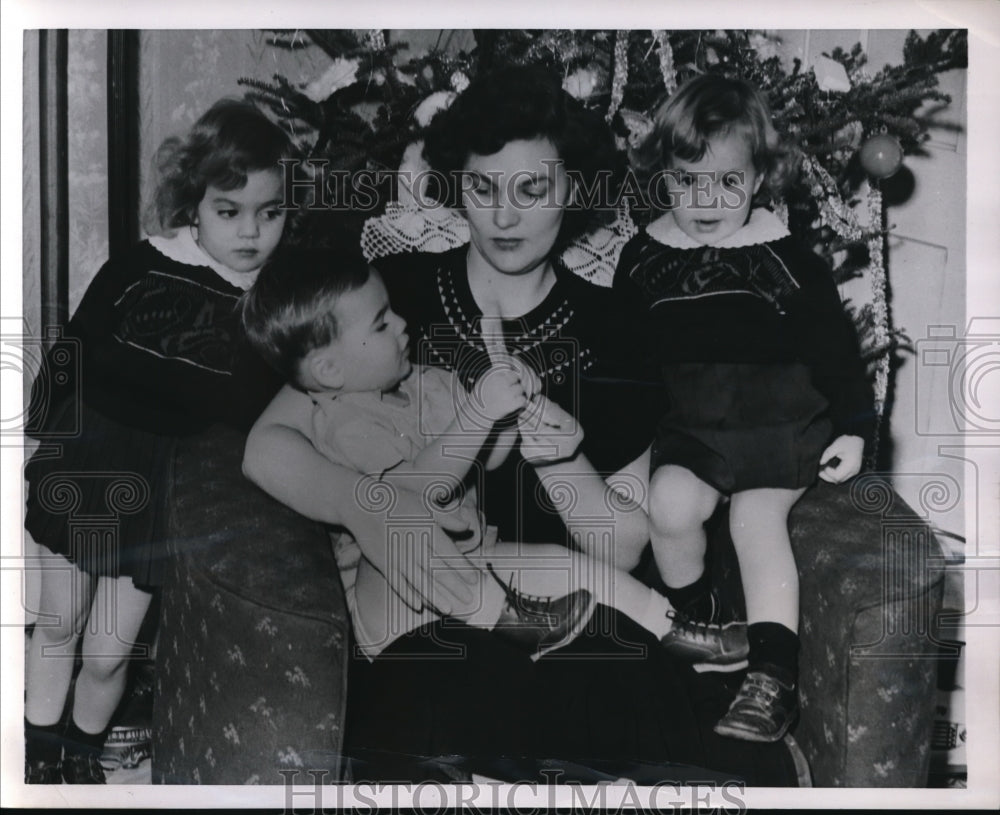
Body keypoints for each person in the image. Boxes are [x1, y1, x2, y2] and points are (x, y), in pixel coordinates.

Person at [243, 65, 804, 785]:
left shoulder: (616, 326)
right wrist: (367, 503)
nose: (504, 217)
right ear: (458, 187)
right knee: (459, 683)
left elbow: (624, 542)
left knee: (613, 685)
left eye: (532, 190)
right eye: (483, 189)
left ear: (572, 189)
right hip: (424, 619)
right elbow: (268, 447)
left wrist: (562, 459)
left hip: (574, 613)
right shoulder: (392, 299)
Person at [239, 247, 725, 660]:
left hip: (475, 555)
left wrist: (515, 408)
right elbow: (420, 492)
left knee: (563, 561)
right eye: (383, 323)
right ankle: (507, 618)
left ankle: (674, 630)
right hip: (399, 589)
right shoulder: (343, 419)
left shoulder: (424, 381)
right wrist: (478, 412)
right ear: (328, 370)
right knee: (411, 532)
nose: (404, 324)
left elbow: (486, 459)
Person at [23, 99, 294, 783]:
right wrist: (44, 443)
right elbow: (74, 350)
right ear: (193, 204)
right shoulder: (141, 266)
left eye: (271, 213)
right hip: (89, 458)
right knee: (58, 622)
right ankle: (36, 754)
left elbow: (259, 415)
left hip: (162, 486)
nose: (252, 233)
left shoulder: (270, 306)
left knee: (110, 651)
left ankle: (81, 758)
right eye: (229, 212)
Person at [615, 73, 875, 742]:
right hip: (695, 429)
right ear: (662, 175)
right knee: (669, 505)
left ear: (758, 177)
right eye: (685, 180)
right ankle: (700, 627)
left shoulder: (786, 262)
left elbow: (838, 355)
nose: (705, 201)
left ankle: (772, 675)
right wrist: (619, 447)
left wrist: (853, 427)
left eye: (727, 182)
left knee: (757, 523)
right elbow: (630, 369)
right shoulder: (644, 259)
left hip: (776, 427)